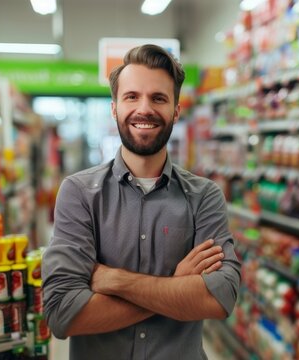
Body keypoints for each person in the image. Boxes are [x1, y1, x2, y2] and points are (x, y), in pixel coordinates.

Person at [42, 44, 241, 360]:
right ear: (114, 108)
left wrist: (113, 279)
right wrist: (174, 285)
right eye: (131, 97)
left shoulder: (204, 196)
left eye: (158, 98)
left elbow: (220, 299)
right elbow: (62, 314)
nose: (144, 109)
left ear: (176, 110)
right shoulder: (79, 192)